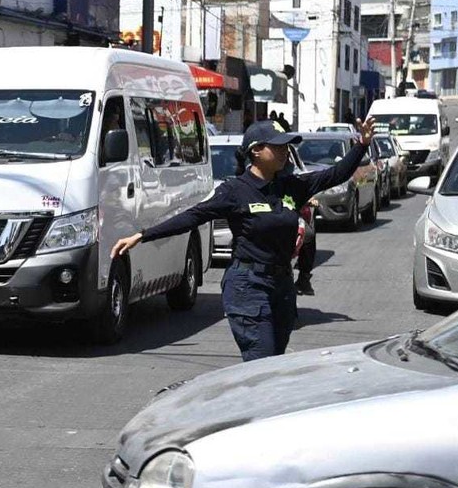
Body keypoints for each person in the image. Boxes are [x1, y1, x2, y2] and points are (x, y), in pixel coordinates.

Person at [111, 118, 375, 361]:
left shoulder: (291, 186)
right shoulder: (235, 191)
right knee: (262, 362)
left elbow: (336, 173)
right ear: (256, 151)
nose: (285, 152)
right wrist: (143, 235)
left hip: (282, 286)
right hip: (248, 286)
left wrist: (361, 144)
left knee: (273, 363)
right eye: (278, 147)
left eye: (287, 147)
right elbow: (193, 216)